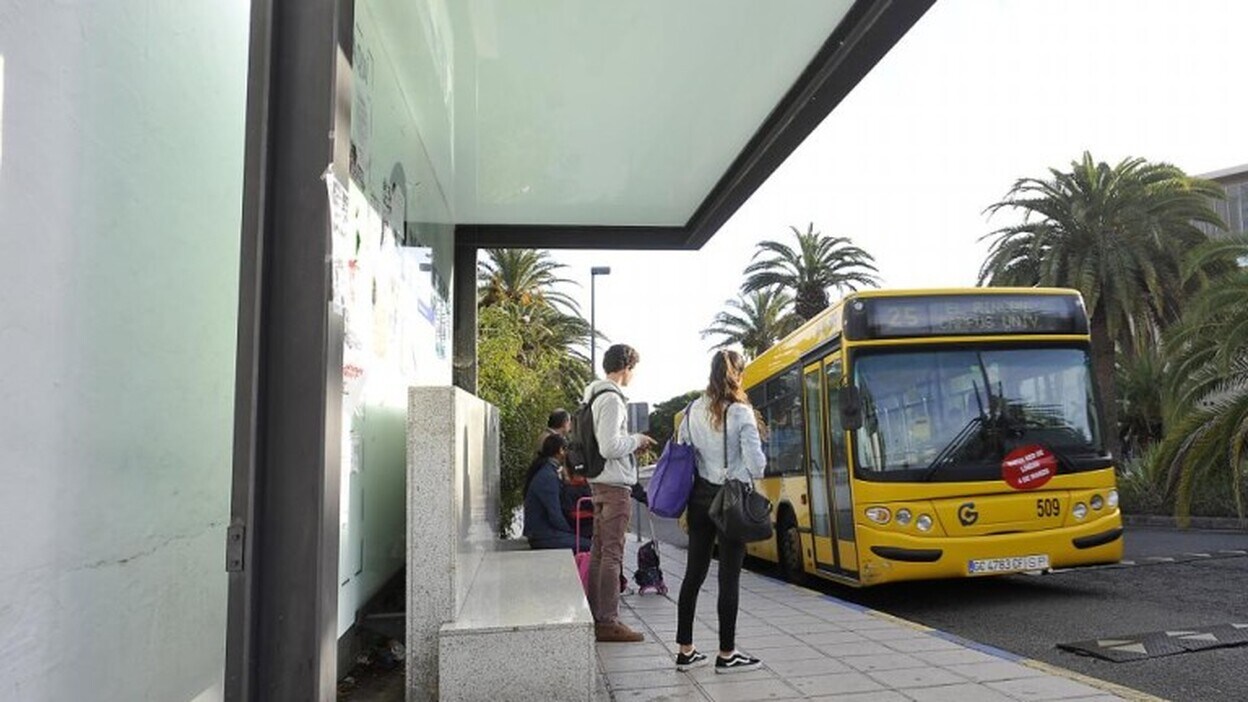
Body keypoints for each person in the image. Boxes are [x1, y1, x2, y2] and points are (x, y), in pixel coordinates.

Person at [674, 349, 767, 673]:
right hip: (730, 501)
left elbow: (685, 451)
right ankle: (727, 654)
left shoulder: (690, 410)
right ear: (738, 376)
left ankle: (686, 650)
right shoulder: (740, 412)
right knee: (729, 578)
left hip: (699, 498)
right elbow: (757, 465)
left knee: (693, 575)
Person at [585, 343, 655, 642]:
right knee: (612, 554)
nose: (632, 376)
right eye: (633, 370)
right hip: (614, 487)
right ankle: (608, 621)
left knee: (600, 552)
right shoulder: (612, 398)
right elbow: (610, 446)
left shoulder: (593, 394)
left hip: (599, 482)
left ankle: (596, 614)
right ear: (626, 368)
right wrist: (636, 439)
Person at [522, 434, 591, 551]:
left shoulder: (546, 470)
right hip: (543, 535)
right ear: (560, 450)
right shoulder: (548, 476)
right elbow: (555, 514)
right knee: (591, 546)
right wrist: (571, 532)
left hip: (542, 532)